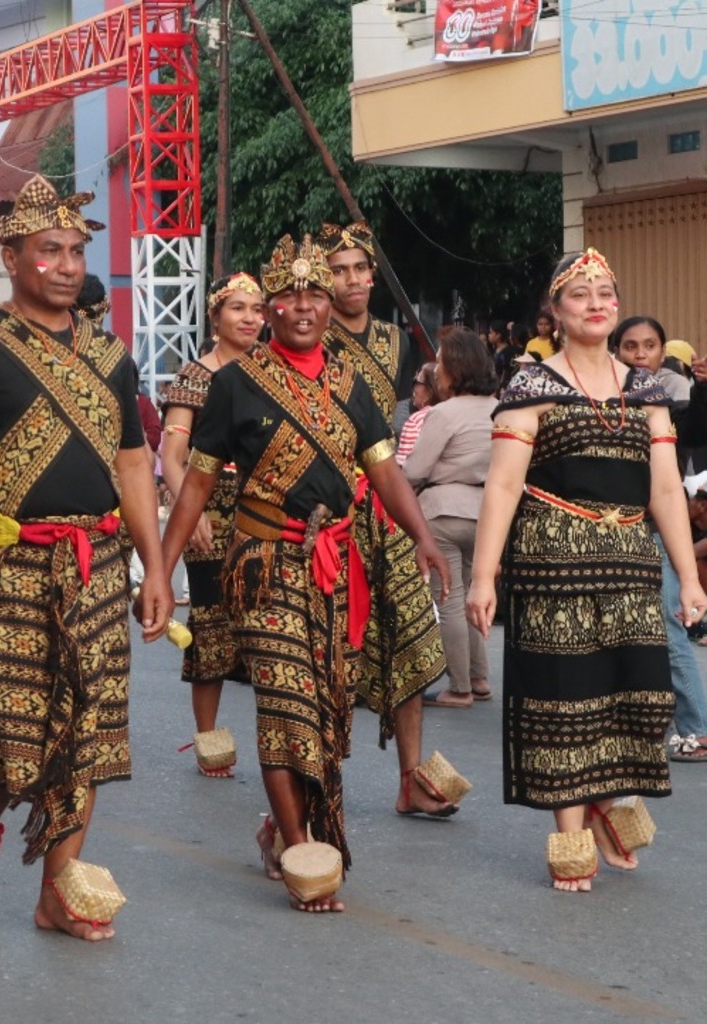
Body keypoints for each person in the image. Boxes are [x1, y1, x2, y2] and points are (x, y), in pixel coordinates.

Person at [161, 235, 449, 912]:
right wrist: (161, 570)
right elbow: (196, 485)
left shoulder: (352, 384)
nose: (301, 307)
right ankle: (301, 849)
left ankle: (278, 828)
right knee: (286, 706)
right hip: (263, 567)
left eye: (314, 295)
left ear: (327, 304)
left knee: (325, 714)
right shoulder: (234, 385)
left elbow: (384, 471)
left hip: (336, 570)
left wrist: (423, 536)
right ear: (270, 308)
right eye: (287, 296)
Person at [0, 175, 171, 941]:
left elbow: (134, 462)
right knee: (7, 721)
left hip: (96, 562)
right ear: (13, 257)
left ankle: (59, 888)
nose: (65, 265)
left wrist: (155, 567)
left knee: (88, 723)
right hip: (6, 564)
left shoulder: (109, 354)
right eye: (48, 250)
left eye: (74, 252)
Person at [466, 248, 705, 892]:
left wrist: (689, 576)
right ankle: (570, 832)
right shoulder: (532, 386)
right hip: (553, 562)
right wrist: (483, 577)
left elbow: (665, 490)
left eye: (605, 292)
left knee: (637, 695)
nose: (596, 303)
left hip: (630, 561)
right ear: (556, 310)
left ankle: (602, 803)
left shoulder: (647, 390)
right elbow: (503, 486)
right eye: (580, 293)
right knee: (566, 697)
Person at [316, 220, 456, 819]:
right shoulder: (310, 334)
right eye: (338, 270)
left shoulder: (394, 340)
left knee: (414, 643)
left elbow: (393, 429)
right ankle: (311, 792)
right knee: (329, 655)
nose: (351, 280)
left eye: (360, 268)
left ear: (373, 275)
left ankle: (410, 779)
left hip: (387, 503)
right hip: (327, 510)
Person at [160, 272, 262, 777]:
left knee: (269, 622)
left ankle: (281, 736)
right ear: (215, 316)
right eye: (237, 308)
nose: (249, 318)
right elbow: (171, 456)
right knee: (211, 624)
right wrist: (191, 509)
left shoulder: (273, 371)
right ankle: (208, 734)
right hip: (209, 513)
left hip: (265, 509)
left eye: (256, 309)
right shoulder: (194, 377)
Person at [613, 315, 707, 762]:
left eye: (649, 345)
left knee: (668, 631)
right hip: (605, 532)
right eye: (630, 346)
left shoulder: (669, 402)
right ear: (616, 351)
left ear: (663, 351)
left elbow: (696, 432)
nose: (640, 354)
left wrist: (703, 388)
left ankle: (697, 729)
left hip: (654, 532)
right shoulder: (603, 397)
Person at [405, 329, 498, 708]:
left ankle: (459, 687)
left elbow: (415, 471)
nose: (437, 369)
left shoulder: (444, 413)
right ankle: (478, 677)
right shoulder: (500, 409)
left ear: (454, 368)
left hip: (443, 511)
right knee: (474, 594)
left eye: (441, 362)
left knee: (449, 600)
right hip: (486, 514)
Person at [395, 360, 439, 465]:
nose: (413, 389)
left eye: (416, 383)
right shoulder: (451, 418)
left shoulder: (415, 421)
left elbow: (404, 466)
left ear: (430, 391)